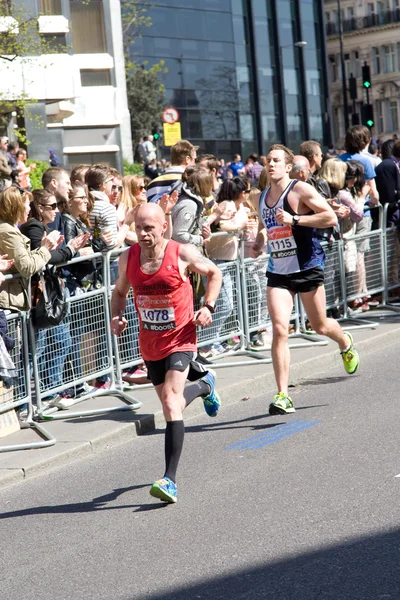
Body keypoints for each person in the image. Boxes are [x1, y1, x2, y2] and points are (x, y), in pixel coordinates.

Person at [111, 203, 222, 503]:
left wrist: (208, 307)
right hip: (150, 343)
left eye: (149, 228)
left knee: (172, 404)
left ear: (163, 227)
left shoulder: (181, 253)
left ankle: (169, 480)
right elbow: (119, 293)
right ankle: (205, 384)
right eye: (138, 228)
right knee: (169, 404)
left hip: (181, 338)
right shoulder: (128, 258)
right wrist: (117, 316)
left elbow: (214, 273)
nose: (144, 234)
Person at [251, 144, 360, 415]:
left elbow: (329, 217)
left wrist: (295, 219)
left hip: (307, 266)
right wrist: (257, 242)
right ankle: (282, 395)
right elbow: (264, 228)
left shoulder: (299, 190)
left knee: (319, 325)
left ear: (288, 167)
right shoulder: (261, 197)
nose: (271, 164)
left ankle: (344, 342)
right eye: (268, 161)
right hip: (278, 271)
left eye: (276, 160)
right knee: (279, 329)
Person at [0, 188, 62, 311]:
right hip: (7, 302)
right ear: (17, 207)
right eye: (28, 205)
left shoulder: (9, 229)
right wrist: (44, 249)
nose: (29, 209)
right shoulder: (8, 232)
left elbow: (21, 260)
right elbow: (26, 267)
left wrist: (46, 249)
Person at [338, 125, 379, 205]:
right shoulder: (365, 161)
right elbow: (373, 191)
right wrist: (375, 201)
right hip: (361, 209)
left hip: (341, 208)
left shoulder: (336, 160)